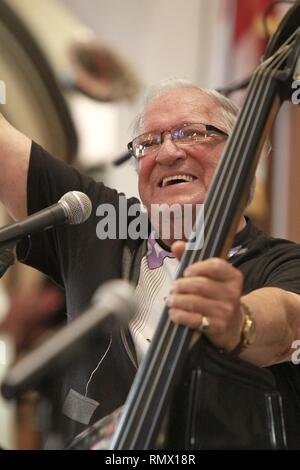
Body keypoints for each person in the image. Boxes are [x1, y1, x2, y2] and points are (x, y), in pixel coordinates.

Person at [0, 79, 300, 448]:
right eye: (148, 142)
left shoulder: (285, 260)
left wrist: (237, 320)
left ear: (245, 155)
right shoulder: (99, 224)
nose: (167, 152)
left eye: (192, 133)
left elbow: (287, 320)